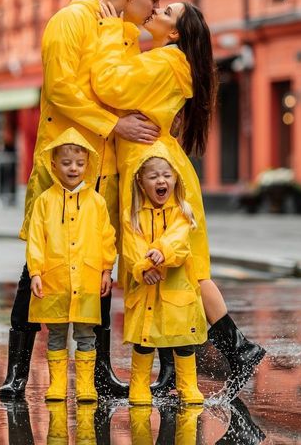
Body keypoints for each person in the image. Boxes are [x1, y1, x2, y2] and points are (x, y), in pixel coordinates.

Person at [0, 0, 170, 401]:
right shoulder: (69, 21)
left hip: (107, 171)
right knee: (39, 269)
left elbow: (120, 86)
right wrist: (116, 125)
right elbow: (61, 90)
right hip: (64, 166)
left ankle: (99, 373)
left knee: (99, 271)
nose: (155, 10)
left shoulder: (127, 33)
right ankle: (16, 372)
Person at [91, 0, 265, 400]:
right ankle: (187, 367)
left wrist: (112, 30)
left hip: (154, 170)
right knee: (178, 271)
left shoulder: (167, 61)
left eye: (165, 10)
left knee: (183, 271)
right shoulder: (167, 58)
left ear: (174, 34)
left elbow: (111, 84)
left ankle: (239, 350)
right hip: (159, 165)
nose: (155, 10)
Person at [26, 127, 116, 402]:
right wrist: (35, 272)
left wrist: (106, 270)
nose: (73, 168)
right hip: (55, 279)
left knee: (86, 333)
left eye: (79, 163)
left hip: (87, 278)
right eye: (66, 163)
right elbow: (36, 239)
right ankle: (57, 385)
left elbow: (106, 238)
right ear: (54, 165)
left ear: (88, 164)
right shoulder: (45, 202)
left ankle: (86, 386)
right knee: (56, 333)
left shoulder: (97, 202)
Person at [122, 145, 207, 406]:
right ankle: (139, 385)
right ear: (141, 181)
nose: (161, 181)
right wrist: (143, 267)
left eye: (167, 176)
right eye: (154, 176)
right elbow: (131, 247)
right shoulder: (132, 215)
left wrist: (162, 251)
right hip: (146, 287)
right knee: (145, 339)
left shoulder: (183, 211)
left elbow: (180, 242)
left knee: (183, 339)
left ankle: (188, 385)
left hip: (176, 288)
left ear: (175, 179)